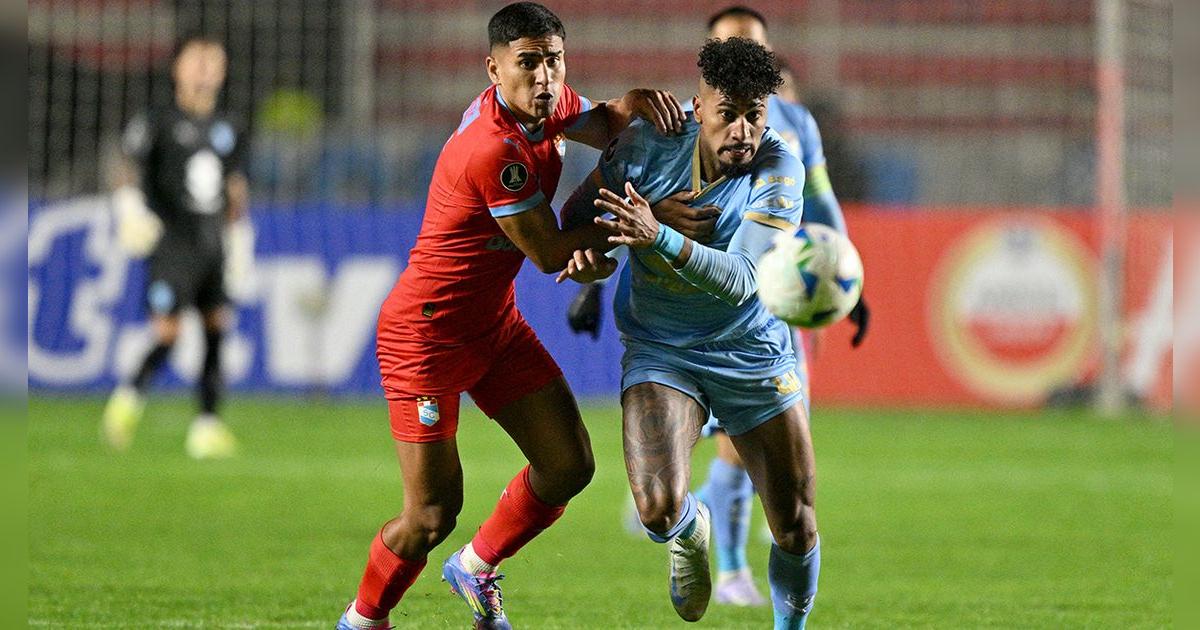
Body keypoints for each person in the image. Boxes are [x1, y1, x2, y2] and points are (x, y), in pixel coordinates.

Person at [335, 4, 685, 629]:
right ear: (494, 69)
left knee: (569, 464)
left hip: (492, 324)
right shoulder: (493, 149)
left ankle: (477, 566)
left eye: (553, 60)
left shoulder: (545, 105)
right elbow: (550, 249)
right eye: (528, 63)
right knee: (432, 514)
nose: (545, 76)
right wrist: (637, 229)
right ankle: (363, 619)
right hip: (428, 334)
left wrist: (635, 105)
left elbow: (604, 123)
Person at [558, 37, 823, 628]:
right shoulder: (649, 141)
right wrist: (595, 260)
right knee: (656, 509)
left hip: (750, 352)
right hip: (663, 348)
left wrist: (659, 235)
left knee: (796, 524)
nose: (743, 132)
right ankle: (689, 532)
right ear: (698, 106)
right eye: (728, 114)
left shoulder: (779, 168)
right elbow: (577, 221)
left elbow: (747, 280)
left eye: (755, 115)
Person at [102, 34, 250, 460]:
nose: (205, 69)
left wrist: (239, 238)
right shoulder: (156, 121)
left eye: (213, 61)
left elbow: (235, 188)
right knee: (168, 332)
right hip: (172, 240)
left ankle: (207, 425)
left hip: (212, 241)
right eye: (196, 60)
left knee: (216, 326)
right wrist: (129, 209)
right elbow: (126, 167)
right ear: (177, 69)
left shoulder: (229, 127)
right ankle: (128, 398)